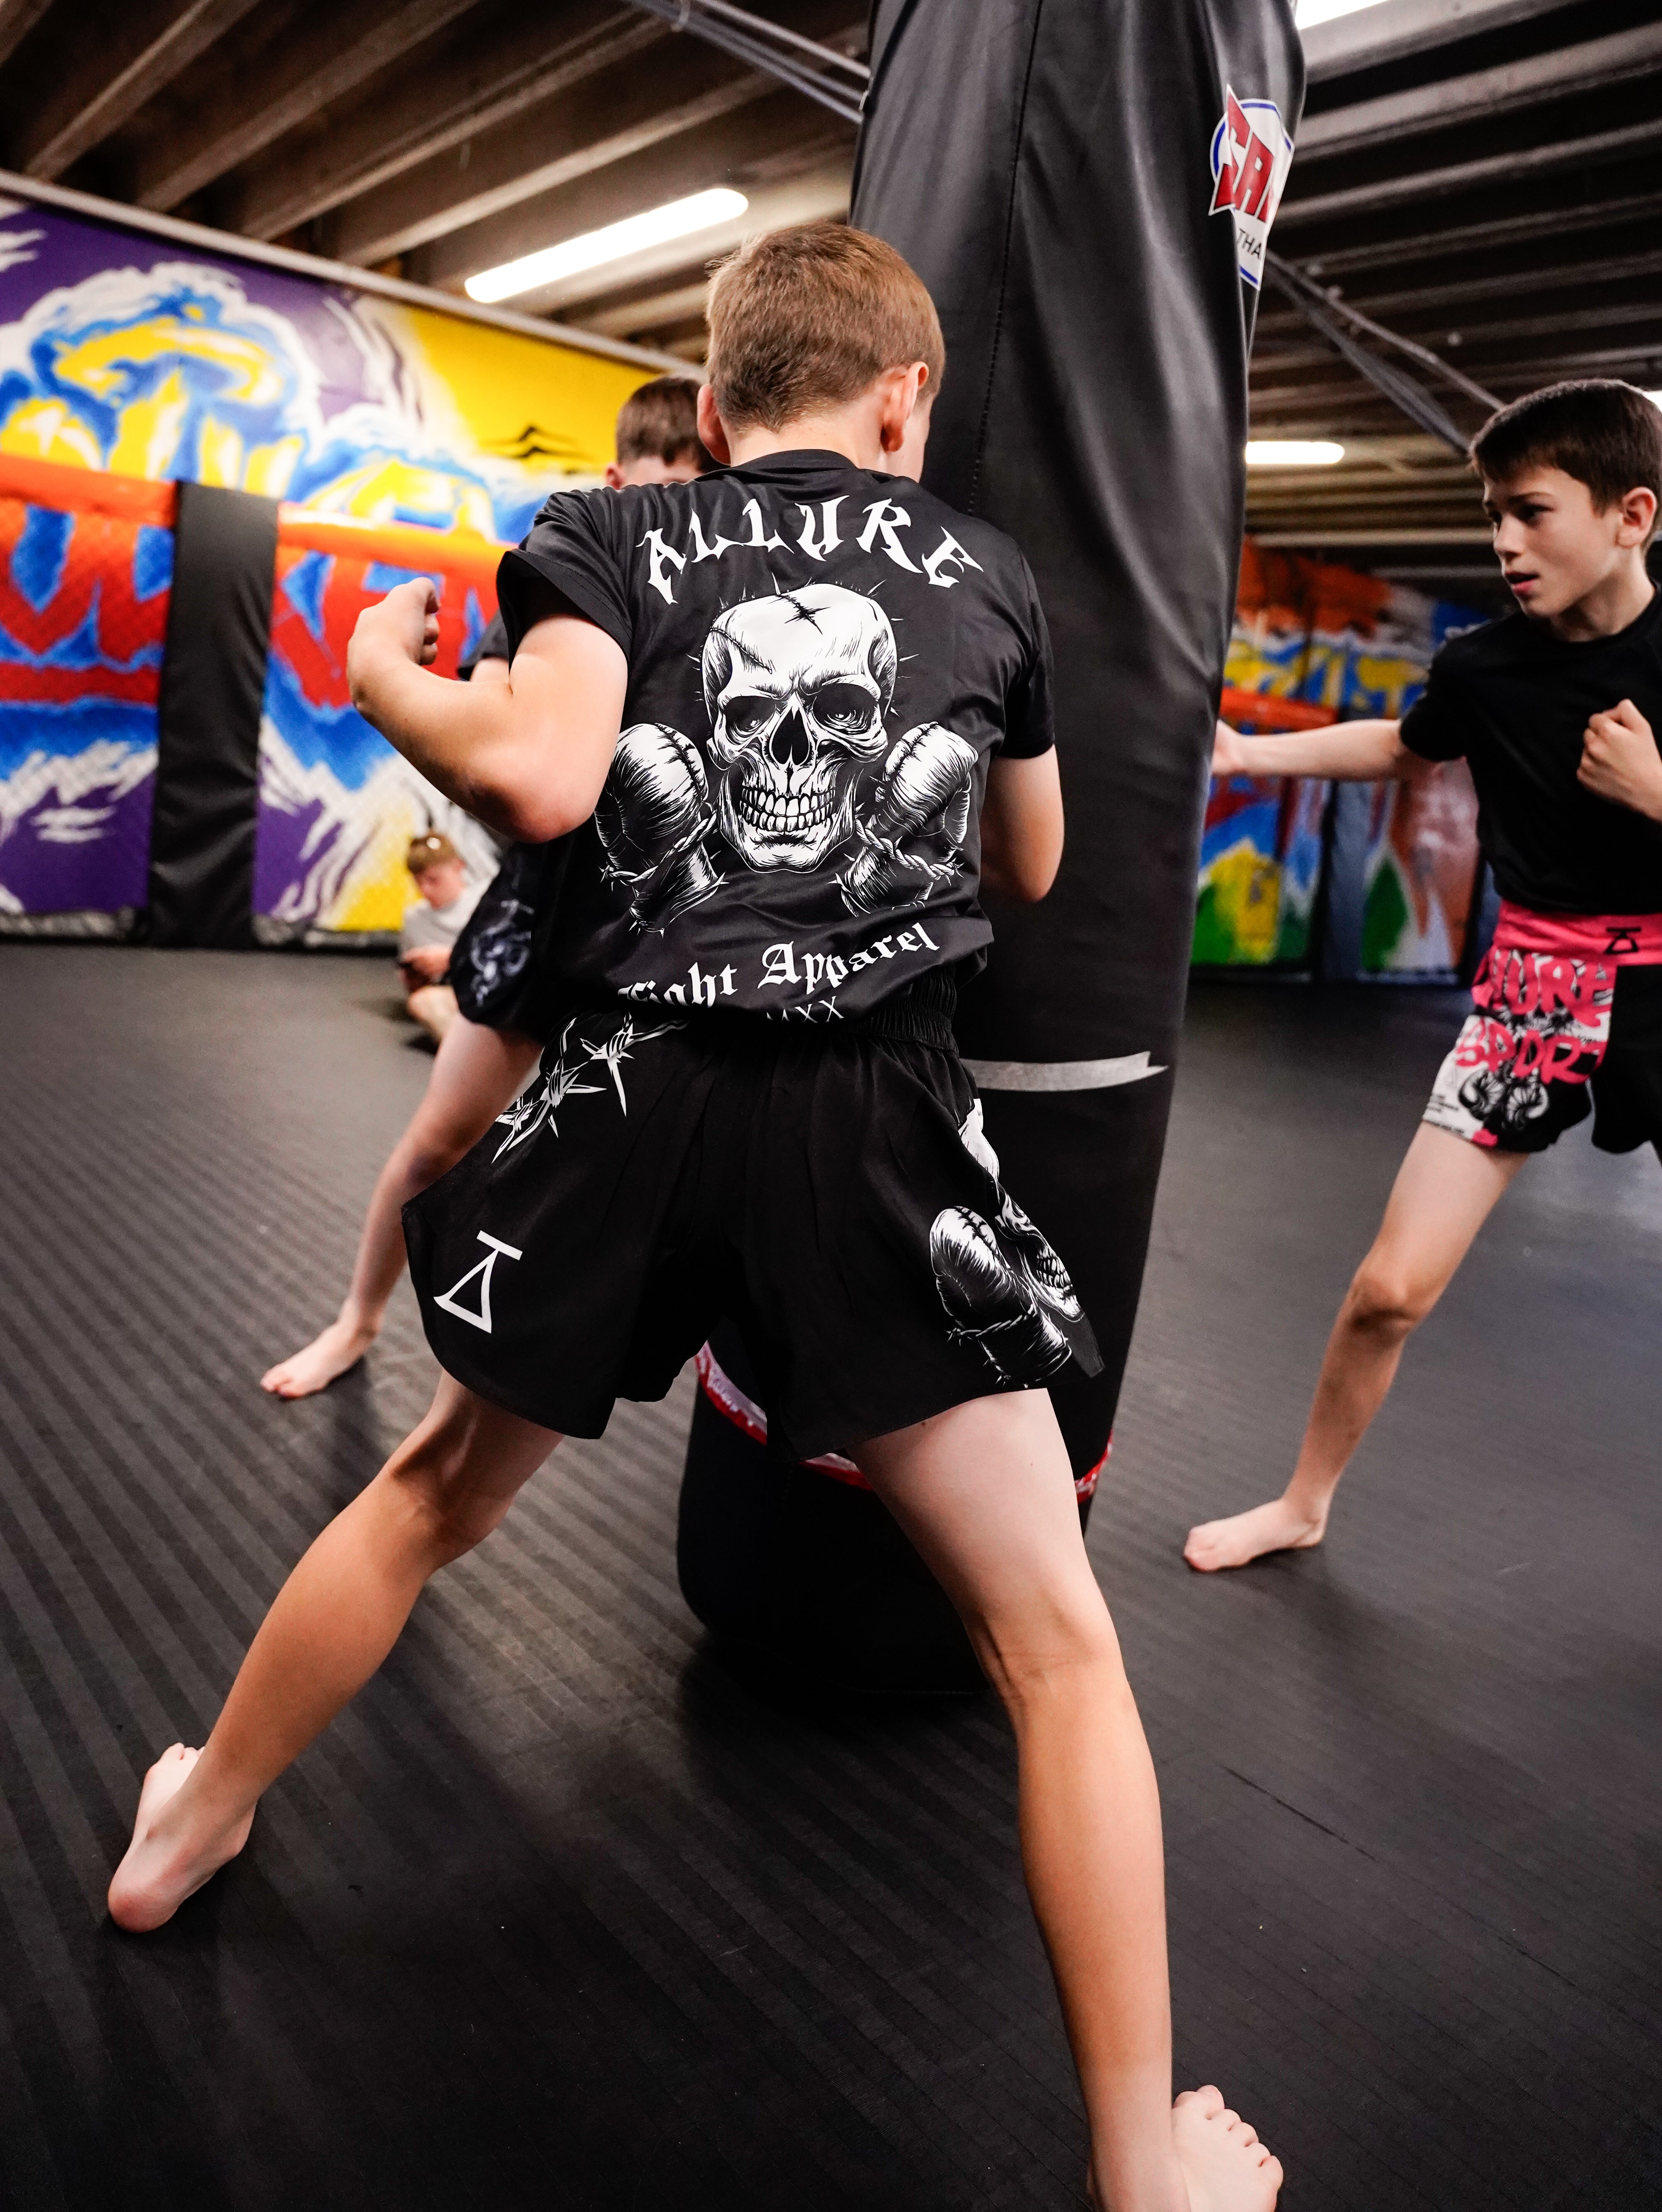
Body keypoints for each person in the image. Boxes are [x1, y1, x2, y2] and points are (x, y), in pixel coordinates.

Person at [111, 225, 1281, 2212]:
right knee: (1056, 1650)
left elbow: (541, 776)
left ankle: (186, 1825)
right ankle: (1138, 2168)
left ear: (717, 409)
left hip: (628, 1093)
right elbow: (1034, 860)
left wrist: (384, 669)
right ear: (905, 399)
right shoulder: (987, 568)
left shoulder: (613, 530)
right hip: (874, 1125)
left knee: (429, 1493)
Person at [1185, 378, 1662, 1575]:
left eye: (1532, 512)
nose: (1505, 541)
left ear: (1632, 516)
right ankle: (1302, 1503)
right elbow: (1404, 750)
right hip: (1534, 993)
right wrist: (1250, 752)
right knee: (1390, 1289)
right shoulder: (1484, 668)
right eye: (1493, 514)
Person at [259, 376, 708, 1400]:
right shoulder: (561, 591)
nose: (669, 524)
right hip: (543, 915)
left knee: (612, 1183)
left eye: (693, 501)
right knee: (440, 1142)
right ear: (614, 485)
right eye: (656, 495)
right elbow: (501, 749)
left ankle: (501, 1386)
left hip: (654, 934)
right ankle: (356, 1320)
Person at [396, 832, 481, 1044]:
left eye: (433, 880)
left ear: (458, 867)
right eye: (418, 881)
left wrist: (451, 959)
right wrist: (416, 979)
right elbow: (421, 989)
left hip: (499, 992)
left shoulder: (487, 901)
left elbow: (514, 958)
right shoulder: (414, 918)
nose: (425, 890)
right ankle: (466, 1051)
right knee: (422, 1002)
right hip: (458, 997)